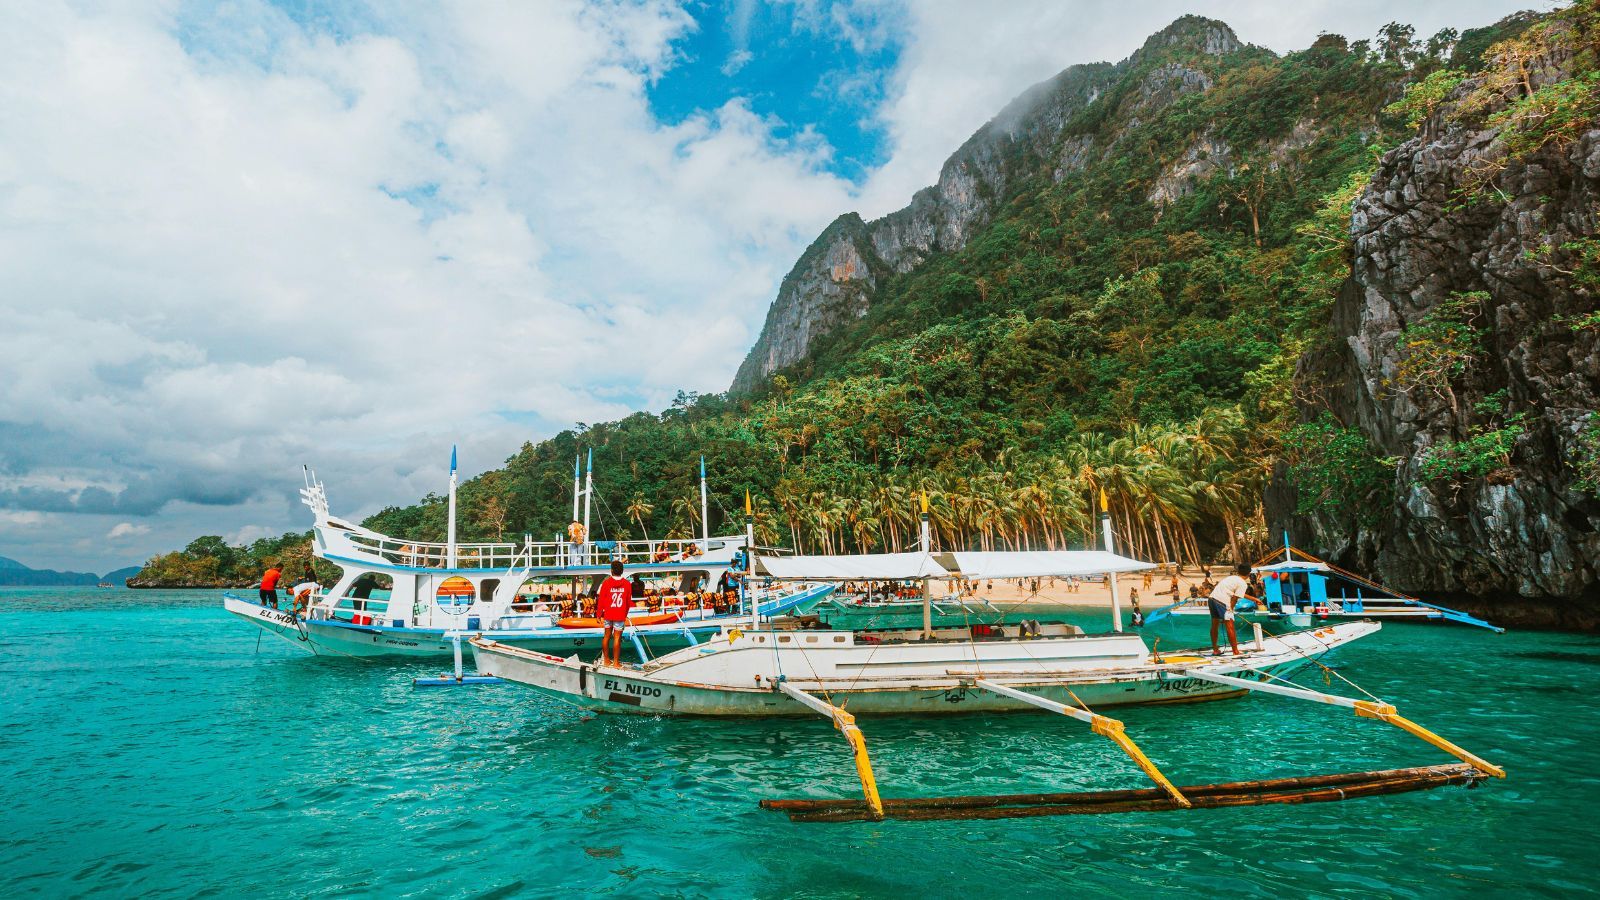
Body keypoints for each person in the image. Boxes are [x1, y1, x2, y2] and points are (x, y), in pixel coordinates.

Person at [1209, 563, 1253, 657]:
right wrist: (1230, 610)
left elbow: (1236, 592)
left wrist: (1254, 599)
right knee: (1230, 626)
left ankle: (1215, 650)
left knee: (1214, 625)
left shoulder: (1232, 578)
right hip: (1222, 601)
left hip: (1212, 599)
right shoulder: (1243, 583)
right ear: (1249, 574)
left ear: (1238, 571)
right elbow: (1235, 598)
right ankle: (1235, 652)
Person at [596, 560, 634, 667]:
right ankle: (616, 663)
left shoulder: (606, 583)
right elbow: (627, 602)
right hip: (619, 614)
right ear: (622, 571)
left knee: (606, 636)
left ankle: (607, 660)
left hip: (608, 614)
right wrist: (624, 614)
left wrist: (598, 615)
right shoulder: (627, 584)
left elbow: (601, 600)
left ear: (611, 570)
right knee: (617, 638)